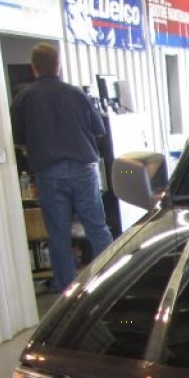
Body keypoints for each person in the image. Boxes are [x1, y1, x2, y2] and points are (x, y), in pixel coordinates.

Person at [10, 43, 114, 292]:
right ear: (59, 66)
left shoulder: (24, 98)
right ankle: (110, 282)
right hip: (84, 169)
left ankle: (68, 293)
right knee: (97, 228)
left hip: (49, 173)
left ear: (34, 68)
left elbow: (17, 139)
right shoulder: (77, 95)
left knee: (58, 236)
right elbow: (100, 131)